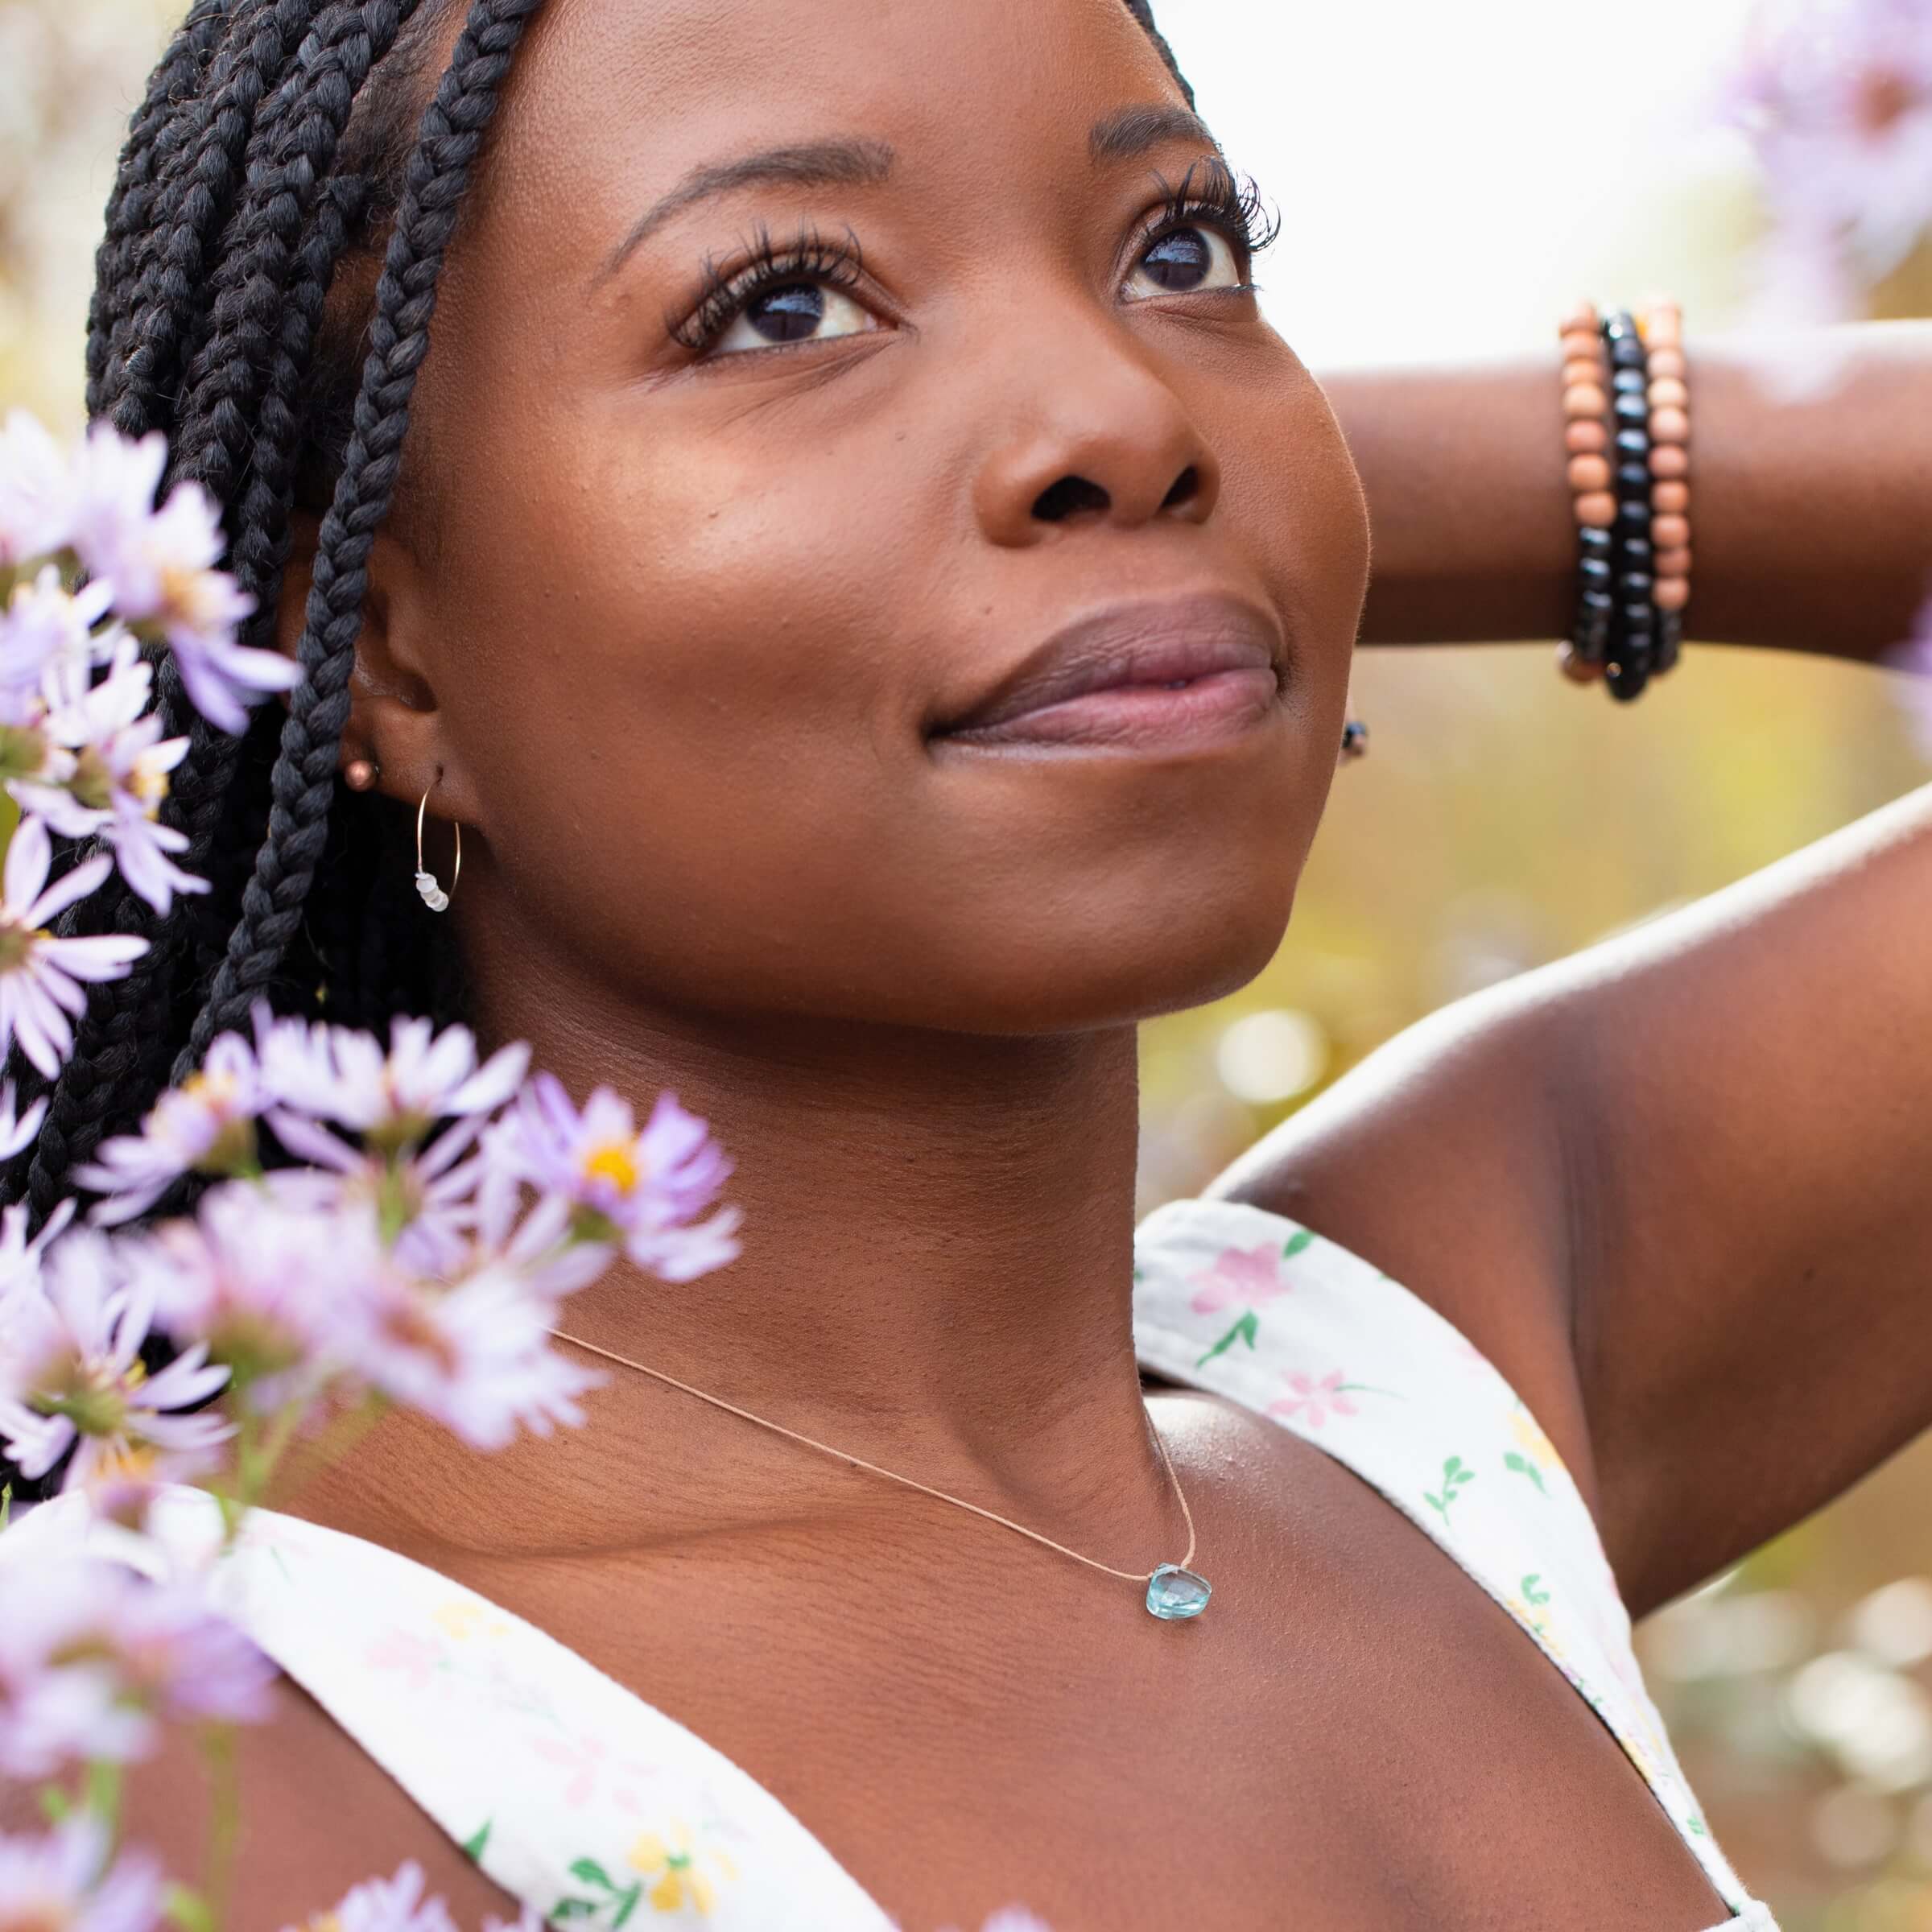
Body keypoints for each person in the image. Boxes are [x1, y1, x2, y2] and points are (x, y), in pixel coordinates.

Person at [2, 0, 1929, 1925]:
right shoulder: (174, 1746)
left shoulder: (1430, 1396)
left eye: (1181, 250)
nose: (1122, 418)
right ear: (383, 648)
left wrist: (1289, 504)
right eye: (778, 307)